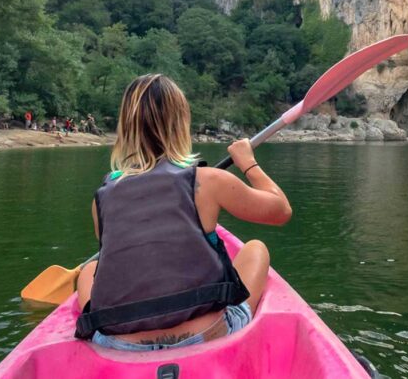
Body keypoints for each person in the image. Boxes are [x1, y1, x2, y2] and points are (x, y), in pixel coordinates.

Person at [75, 74, 292, 351]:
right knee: (256, 248)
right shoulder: (208, 180)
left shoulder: (102, 198)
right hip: (206, 334)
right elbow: (281, 210)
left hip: (118, 343)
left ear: (126, 127)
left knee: (89, 269)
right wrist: (248, 163)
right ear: (181, 123)